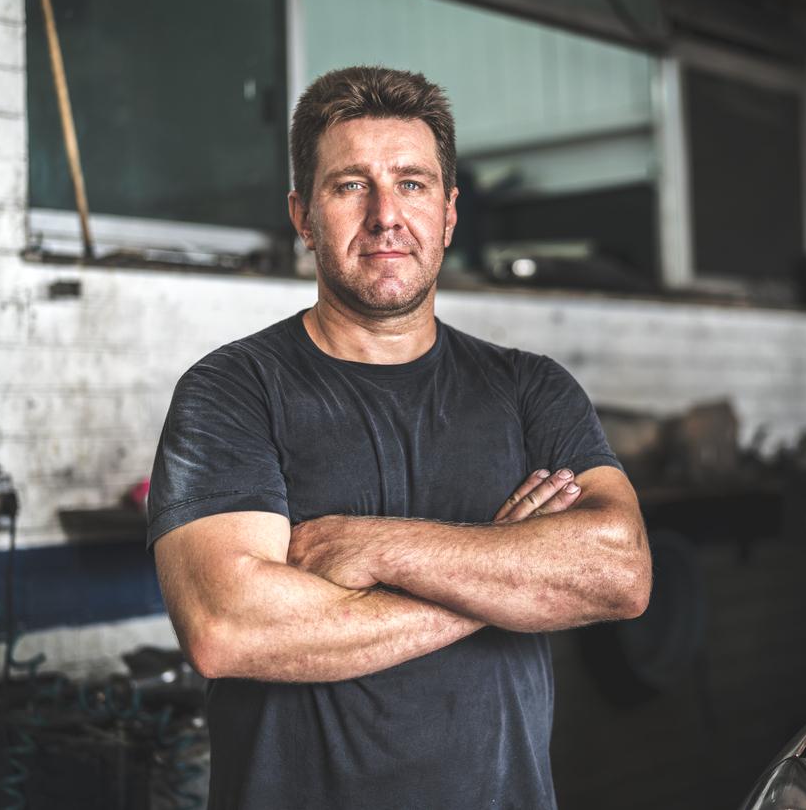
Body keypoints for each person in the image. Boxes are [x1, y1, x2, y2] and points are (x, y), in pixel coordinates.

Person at [147, 65, 651, 809]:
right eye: (351, 185)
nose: (387, 214)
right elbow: (229, 628)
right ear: (302, 215)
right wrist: (507, 578)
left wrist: (374, 547)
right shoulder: (232, 391)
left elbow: (619, 573)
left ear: (448, 214)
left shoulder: (528, 390)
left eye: (412, 184)